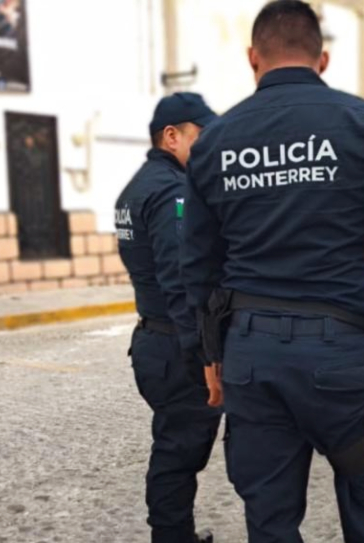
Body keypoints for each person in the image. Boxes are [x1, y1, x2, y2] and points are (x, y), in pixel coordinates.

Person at [179, 1, 364, 541]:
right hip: (341, 357)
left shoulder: (213, 144)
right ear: (321, 59)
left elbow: (197, 268)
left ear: (252, 58)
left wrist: (209, 355)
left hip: (252, 359)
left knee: (270, 522)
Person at [115, 92, 222, 543]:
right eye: (203, 137)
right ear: (171, 136)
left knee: (175, 447)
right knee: (178, 454)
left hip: (153, 340)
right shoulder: (172, 191)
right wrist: (204, 356)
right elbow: (180, 281)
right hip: (176, 348)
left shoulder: (136, 187)